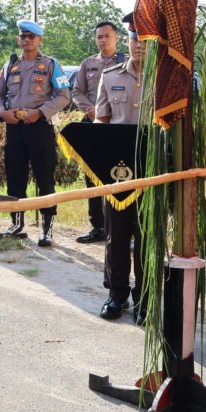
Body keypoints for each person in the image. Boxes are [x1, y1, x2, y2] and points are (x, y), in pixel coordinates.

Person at [0, 19, 70, 247]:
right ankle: (17, 225)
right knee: (14, 177)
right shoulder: (10, 65)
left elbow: (64, 95)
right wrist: (1, 113)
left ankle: (47, 228)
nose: (26, 40)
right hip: (14, 129)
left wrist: (41, 112)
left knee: (44, 178)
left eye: (31, 37)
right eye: (23, 36)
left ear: (39, 40)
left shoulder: (50, 64)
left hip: (39, 128)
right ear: (19, 39)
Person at [94, 13, 145, 324]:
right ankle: (116, 293)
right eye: (136, 38)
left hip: (151, 171)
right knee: (115, 233)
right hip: (117, 171)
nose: (140, 45)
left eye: (147, 40)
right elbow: (101, 122)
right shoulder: (110, 76)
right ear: (127, 40)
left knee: (146, 235)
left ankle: (145, 295)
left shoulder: (165, 81)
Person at [72, 20, 126, 244]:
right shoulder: (88, 63)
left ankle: (122, 228)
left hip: (118, 125)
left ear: (117, 38)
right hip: (93, 124)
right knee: (93, 176)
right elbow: (77, 91)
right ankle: (97, 226)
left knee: (120, 175)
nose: (102, 40)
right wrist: (90, 108)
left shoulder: (127, 62)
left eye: (107, 36)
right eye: (99, 37)